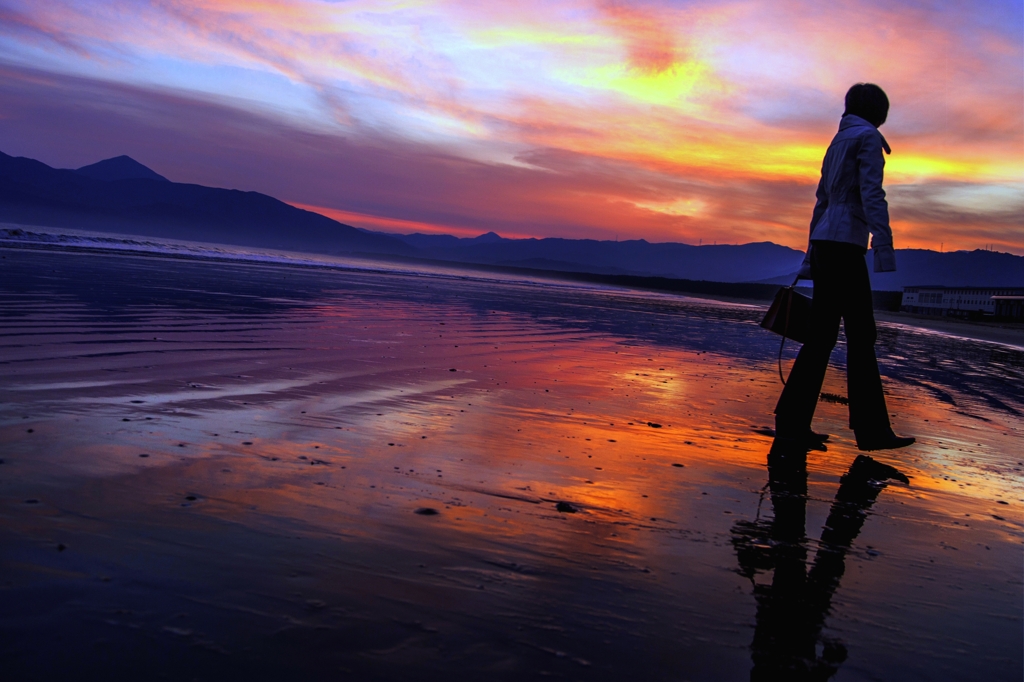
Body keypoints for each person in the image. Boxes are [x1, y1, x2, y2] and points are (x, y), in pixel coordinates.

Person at [774, 83, 914, 451]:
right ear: (877, 111)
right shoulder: (867, 138)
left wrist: (809, 256)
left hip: (824, 244)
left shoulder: (837, 142)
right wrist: (883, 247)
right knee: (861, 335)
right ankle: (870, 430)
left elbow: (820, 203)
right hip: (846, 244)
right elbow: (872, 195)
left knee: (822, 336)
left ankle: (791, 421)